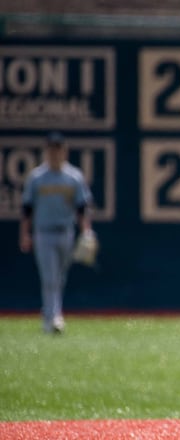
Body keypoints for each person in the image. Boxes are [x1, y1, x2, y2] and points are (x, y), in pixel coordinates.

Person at [19, 131, 93, 334]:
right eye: (51, 149)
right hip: (43, 232)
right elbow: (27, 208)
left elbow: (81, 207)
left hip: (65, 232)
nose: (55, 153)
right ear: (46, 151)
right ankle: (53, 317)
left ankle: (51, 313)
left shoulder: (73, 176)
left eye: (58, 149)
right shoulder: (37, 177)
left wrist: (87, 232)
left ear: (64, 151)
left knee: (59, 277)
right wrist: (25, 234)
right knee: (49, 277)